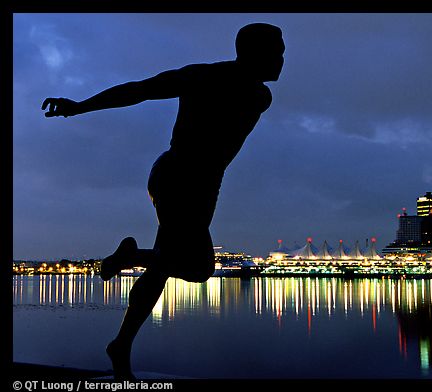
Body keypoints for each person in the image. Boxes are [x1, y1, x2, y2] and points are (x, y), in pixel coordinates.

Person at [42, 23, 285, 379]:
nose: (282, 60)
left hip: (202, 187)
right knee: (184, 266)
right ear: (254, 53)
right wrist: (79, 107)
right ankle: (122, 334)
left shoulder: (260, 95)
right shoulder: (204, 78)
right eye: (277, 52)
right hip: (179, 178)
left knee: (182, 267)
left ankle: (124, 313)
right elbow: (140, 90)